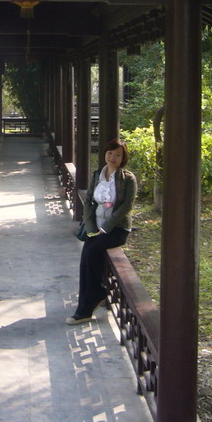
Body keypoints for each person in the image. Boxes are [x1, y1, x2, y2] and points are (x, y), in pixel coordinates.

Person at [67, 138, 137, 324]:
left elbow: (126, 206)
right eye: (109, 153)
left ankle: (90, 303)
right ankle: (87, 306)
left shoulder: (128, 179)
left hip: (116, 229)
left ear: (123, 158)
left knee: (91, 253)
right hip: (95, 227)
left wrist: (106, 227)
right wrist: (91, 227)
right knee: (85, 259)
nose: (112, 157)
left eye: (117, 154)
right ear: (105, 154)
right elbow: (89, 200)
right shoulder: (98, 174)